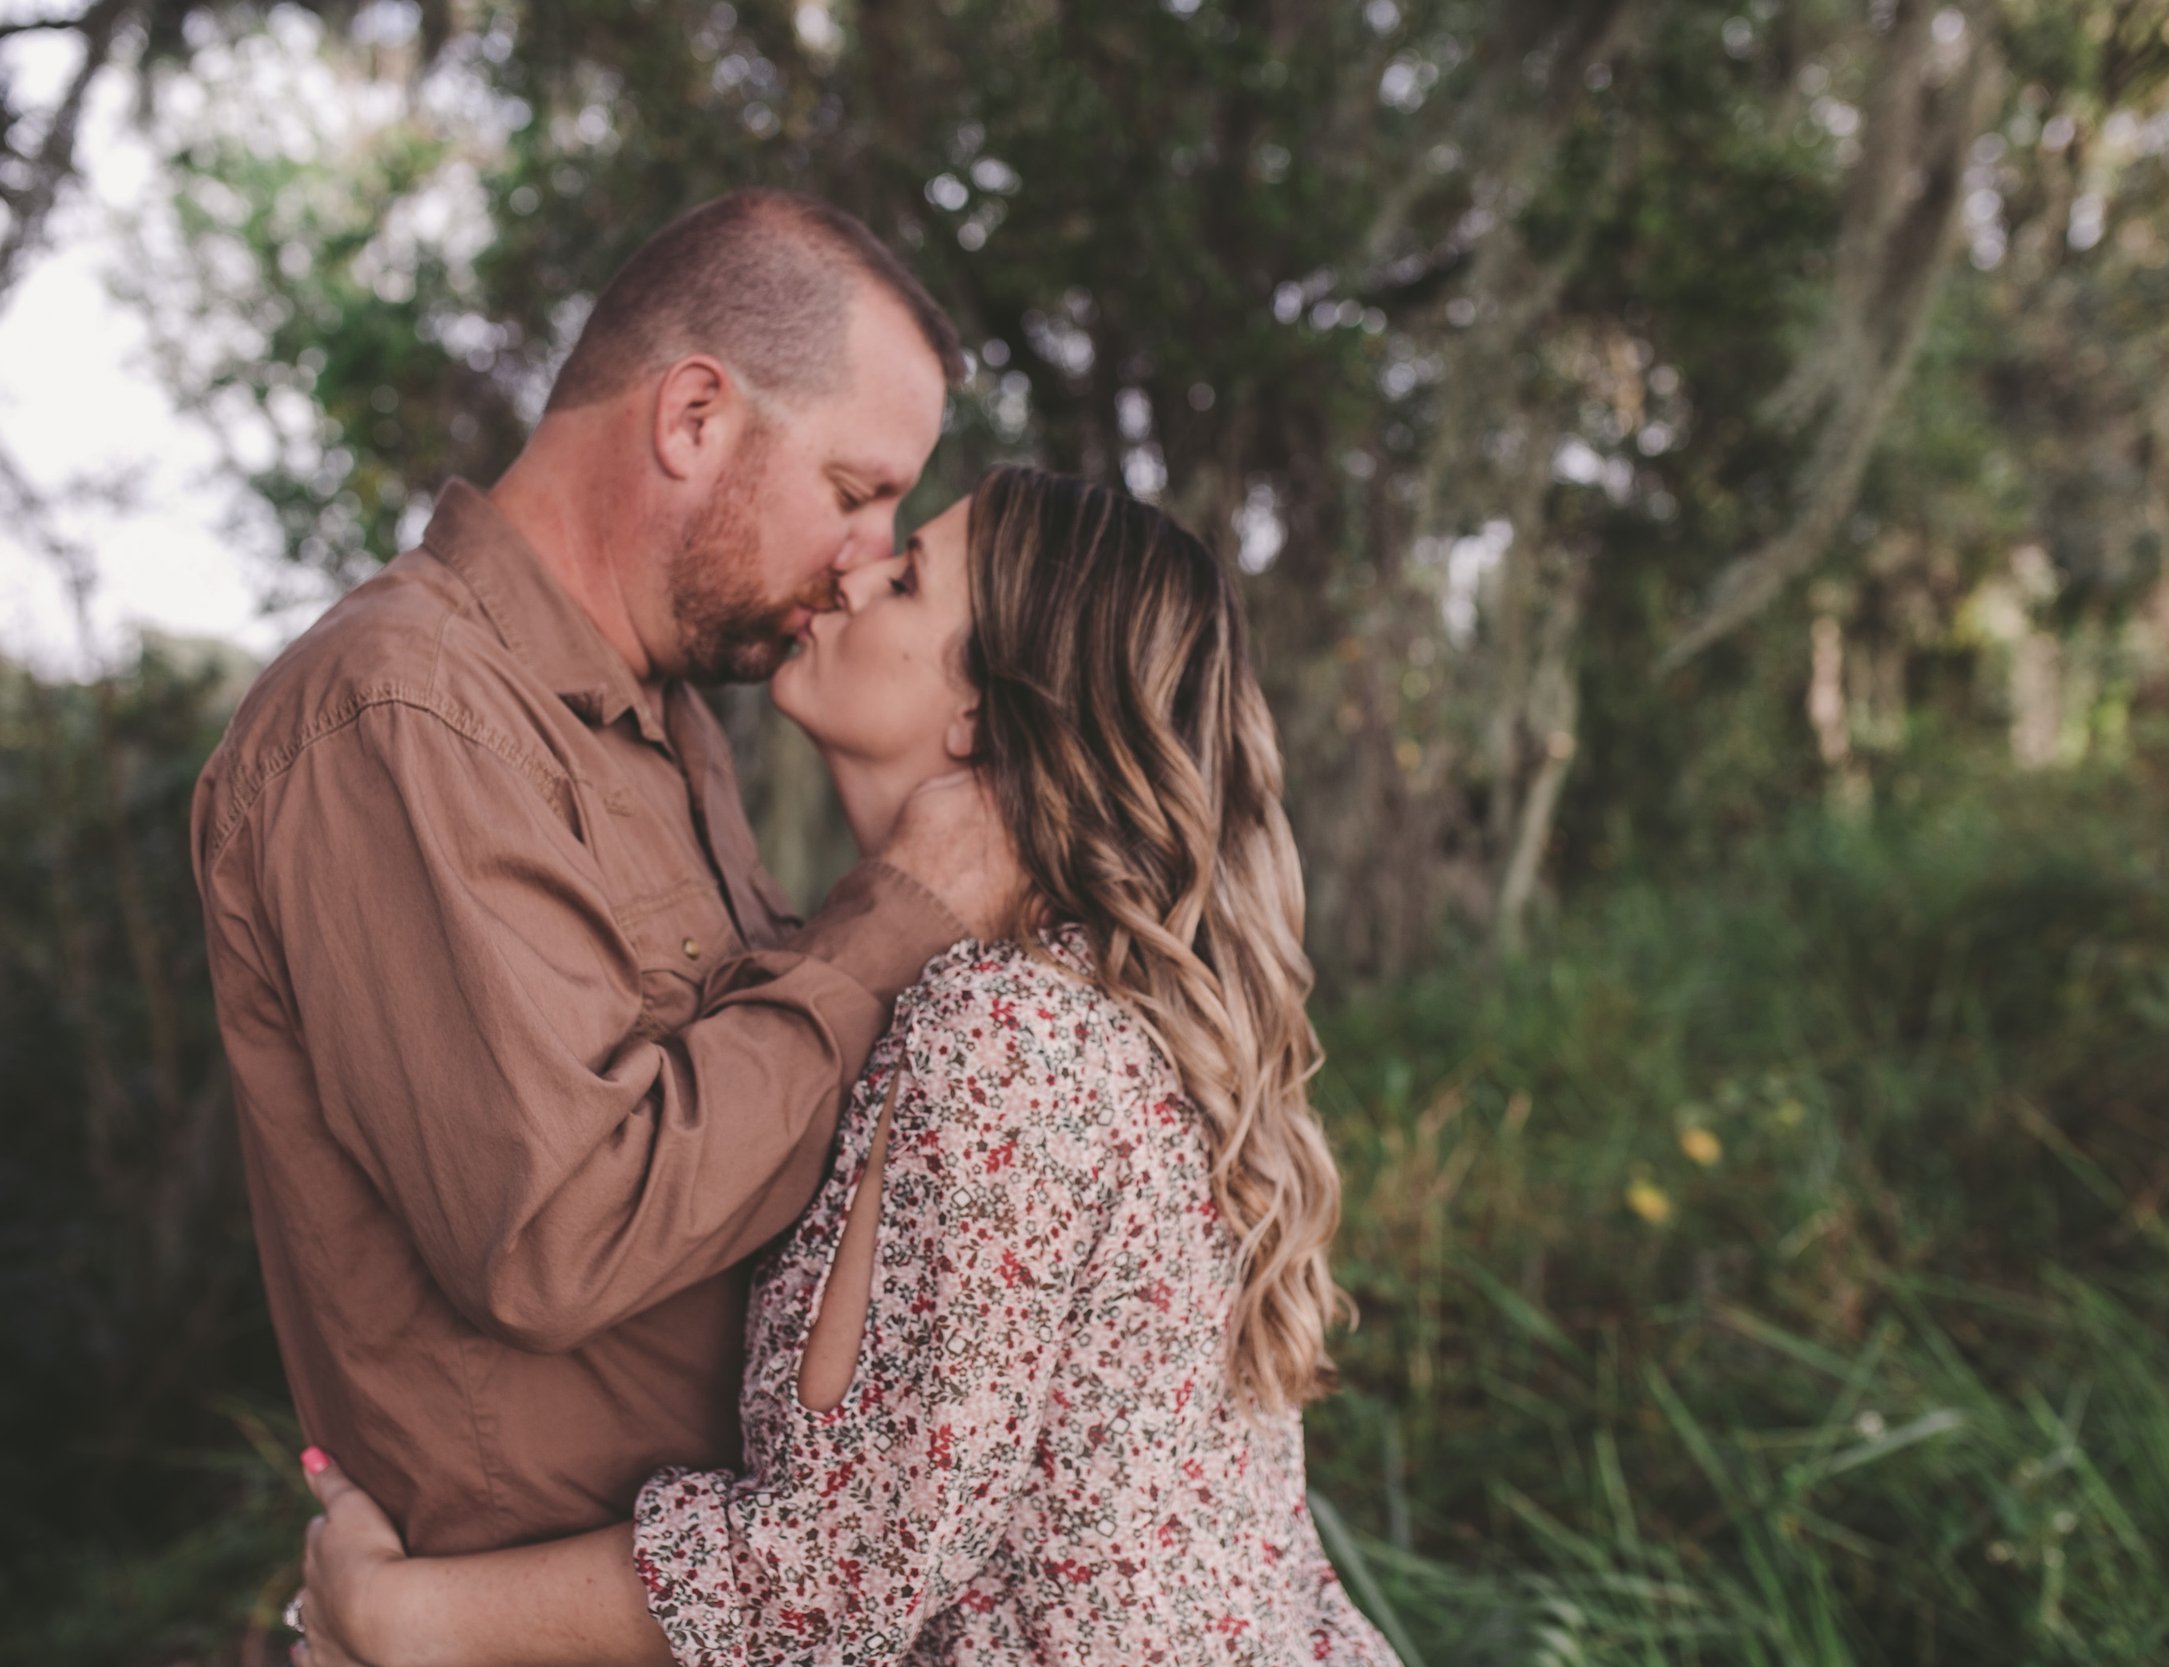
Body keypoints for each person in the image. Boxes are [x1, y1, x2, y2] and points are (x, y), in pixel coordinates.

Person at [290, 468, 1401, 1666]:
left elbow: (841, 1562)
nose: (854, 568)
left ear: (981, 713)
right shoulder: (1070, 997)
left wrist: (402, 1620)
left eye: (908, 575)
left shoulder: (1005, 1032)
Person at [190, 189, 1021, 1561]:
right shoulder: (400, 712)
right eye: (857, 490)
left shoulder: (668, 720)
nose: (868, 555)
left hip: (730, 1609)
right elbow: (557, 1229)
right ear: (694, 417)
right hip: (535, 1620)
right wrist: (886, 930)